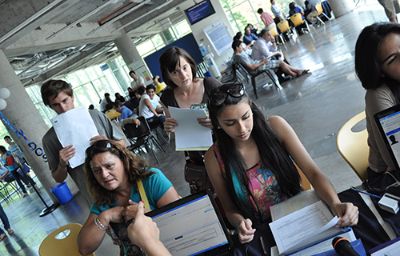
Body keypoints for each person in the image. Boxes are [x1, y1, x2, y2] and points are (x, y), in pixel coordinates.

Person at [204, 83, 359, 253]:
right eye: (230, 123)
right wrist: (240, 223)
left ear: (251, 108)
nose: (242, 128)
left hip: (303, 215)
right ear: (217, 124)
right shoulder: (214, 158)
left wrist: (335, 203)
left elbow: (314, 174)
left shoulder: (275, 127)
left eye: (246, 117)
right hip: (262, 231)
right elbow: (229, 208)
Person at [77, 139, 180, 256]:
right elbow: (84, 248)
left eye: (109, 166)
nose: (104, 175)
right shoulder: (104, 202)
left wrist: (145, 214)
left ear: (123, 161)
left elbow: (180, 222)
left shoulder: (151, 180)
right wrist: (105, 216)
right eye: (97, 171)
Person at [41, 79, 127, 206]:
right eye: (56, 104)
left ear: (72, 97)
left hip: (120, 182)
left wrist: (108, 142)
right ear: (50, 106)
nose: (63, 108)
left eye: (65, 101)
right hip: (93, 194)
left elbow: (124, 143)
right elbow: (58, 178)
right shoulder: (49, 139)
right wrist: (62, 163)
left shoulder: (95, 115)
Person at [159, 47, 221, 194]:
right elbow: (172, 127)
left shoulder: (210, 85)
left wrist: (216, 122)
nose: (183, 75)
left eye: (185, 68)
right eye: (175, 72)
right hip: (198, 160)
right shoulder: (167, 97)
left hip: (223, 150)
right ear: (168, 76)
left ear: (191, 64)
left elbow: (235, 113)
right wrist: (169, 128)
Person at [354, 23, 400, 187]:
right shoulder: (378, 96)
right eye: (393, 59)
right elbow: (397, 160)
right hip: (388, 177)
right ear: (380, 70)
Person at [232, 39, 309, 84]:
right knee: (280, 62)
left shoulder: (237, 55)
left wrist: (260, 61)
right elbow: (251, 67)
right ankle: (295, 73)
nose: (243, 47)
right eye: (241, 46)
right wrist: (262, 62)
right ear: (237, 47)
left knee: (277, 61)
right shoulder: (240, 56)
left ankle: (296, 72)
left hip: (258, 65)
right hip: (257, 68)